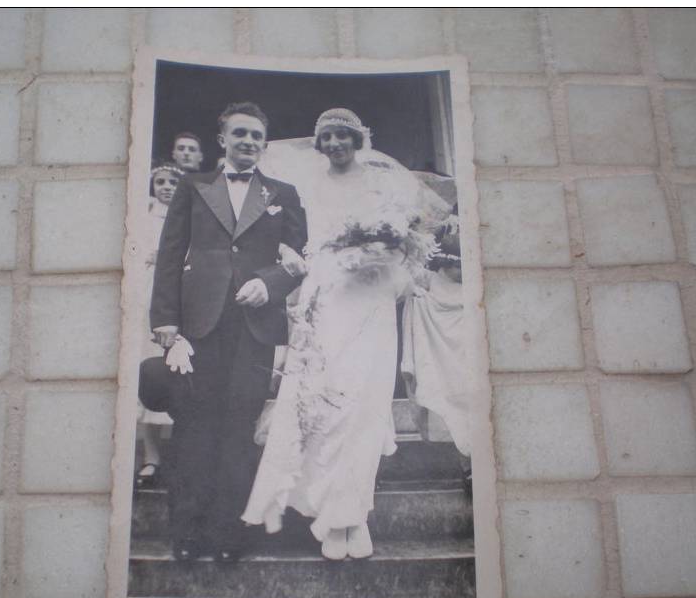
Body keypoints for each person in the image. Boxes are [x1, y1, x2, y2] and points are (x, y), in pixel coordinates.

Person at [241, 108, 451, 560]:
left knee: (364, 403)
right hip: (327, 298)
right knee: (323, 401)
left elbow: (406, 237)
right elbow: (301, 244)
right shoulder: (306, 188)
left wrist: (384, 250)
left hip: (370, 298)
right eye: (327, 137)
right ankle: (323, 512)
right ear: (319, 144)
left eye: (343, 136)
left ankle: (352, 516)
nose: (335, 144)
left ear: (359, 139)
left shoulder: (383, 185)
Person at [150, 102, 308, 562]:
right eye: (239, 134)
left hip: (254, 329)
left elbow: (298, 260)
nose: (248, 142)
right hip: (198, 326)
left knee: (239, 426)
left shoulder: (283, 193)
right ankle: (186, 532)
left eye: (256, 136)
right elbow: (169, 255)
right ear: (222, 140)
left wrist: (271, 284)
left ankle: (227, 535)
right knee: (195, 423)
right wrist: (165, 320)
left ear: (264, 142)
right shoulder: (194, 188)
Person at [401, 232, 472, 491]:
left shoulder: (474, 285)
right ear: (445, 263)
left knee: (470, 405)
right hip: (440, 359)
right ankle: (467, 468)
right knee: (450, 405)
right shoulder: (428, 280)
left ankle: (476, 466)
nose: (462, 271)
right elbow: (405, 270)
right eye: (457, 266)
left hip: (466, 356)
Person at [135, 163, 185, 487]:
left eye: (172, 182)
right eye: (160, 182)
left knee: (179, 376)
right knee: (149, 378)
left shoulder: (189, 217)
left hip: (180, 299)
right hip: (147, 299)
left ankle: (179, 456)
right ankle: (151, 456)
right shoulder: (142, 219)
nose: (166, 187)